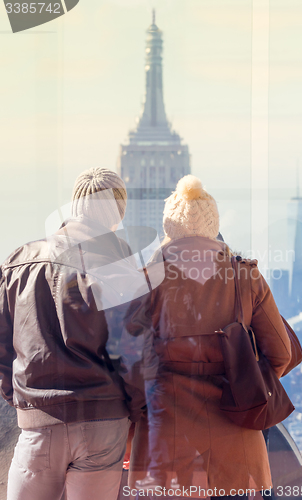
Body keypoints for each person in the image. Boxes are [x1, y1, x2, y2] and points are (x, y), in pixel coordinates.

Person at [126, 175, 292, 500]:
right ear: (213, 224)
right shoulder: (245, 276)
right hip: (236, 445)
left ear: (169, 227)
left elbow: (127, 367)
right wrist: (242, 378)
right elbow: (281, 355)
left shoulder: (144, 281)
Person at [0, 167, 146, 500]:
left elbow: (2, 346)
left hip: (38, 423)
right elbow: (136, 354)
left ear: (75, 206)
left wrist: (18, 398)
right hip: (103, 422)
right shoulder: (122, 267)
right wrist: (134, 414)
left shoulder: (18, 262)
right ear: (116, 215)